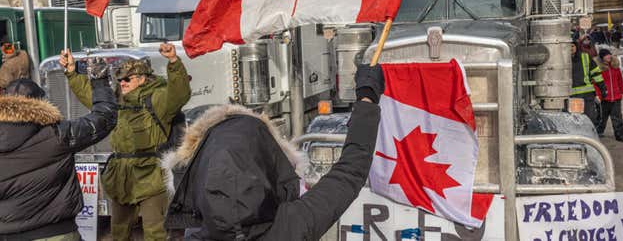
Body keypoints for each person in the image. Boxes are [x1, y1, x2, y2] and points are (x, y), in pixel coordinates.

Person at [163, 64, 384, 240]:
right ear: (269, 165)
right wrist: (367, 97)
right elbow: (350, 171)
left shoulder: (195, 231)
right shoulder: (293, 223)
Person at [61, 43, 191, 241]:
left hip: (152, 176)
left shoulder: (157, 99)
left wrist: (174, 62)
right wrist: (71, 72)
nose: (122, 83)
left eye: (127, 79)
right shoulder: (114, 103)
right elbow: (89, 94)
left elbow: (179, 93)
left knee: (155, 232)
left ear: (142, 79)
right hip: (122, 177)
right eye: (120, 79)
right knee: (119, 232)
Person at [0, 57, 117, 240]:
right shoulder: (57, 135)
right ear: (41, 103)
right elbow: (104, 118)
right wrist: (99, 80)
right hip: (58, 233)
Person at [571, 41, 607, 131]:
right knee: (576, 120)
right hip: (572, 97)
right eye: (568, 46)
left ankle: (590, 139)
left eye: (572, 46)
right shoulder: (562, 59)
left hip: (587, 95)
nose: (570, 48)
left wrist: (603, 88)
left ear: (576, 46)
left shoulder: (585, 57)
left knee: (590, 118)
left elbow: (596, 73)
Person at [595, 49, 623, 142]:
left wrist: (622, 92)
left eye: (609, 55)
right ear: (602, 58)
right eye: (606, 55)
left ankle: (620, 135)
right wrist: (598, 95)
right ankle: (597, 132)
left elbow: (620, 80)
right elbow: (595, 83)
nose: (608, 57)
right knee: (602, 117)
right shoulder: (598, 68)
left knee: (617, 117)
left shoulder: (615, 67)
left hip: (616, 97)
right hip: (604, 98)